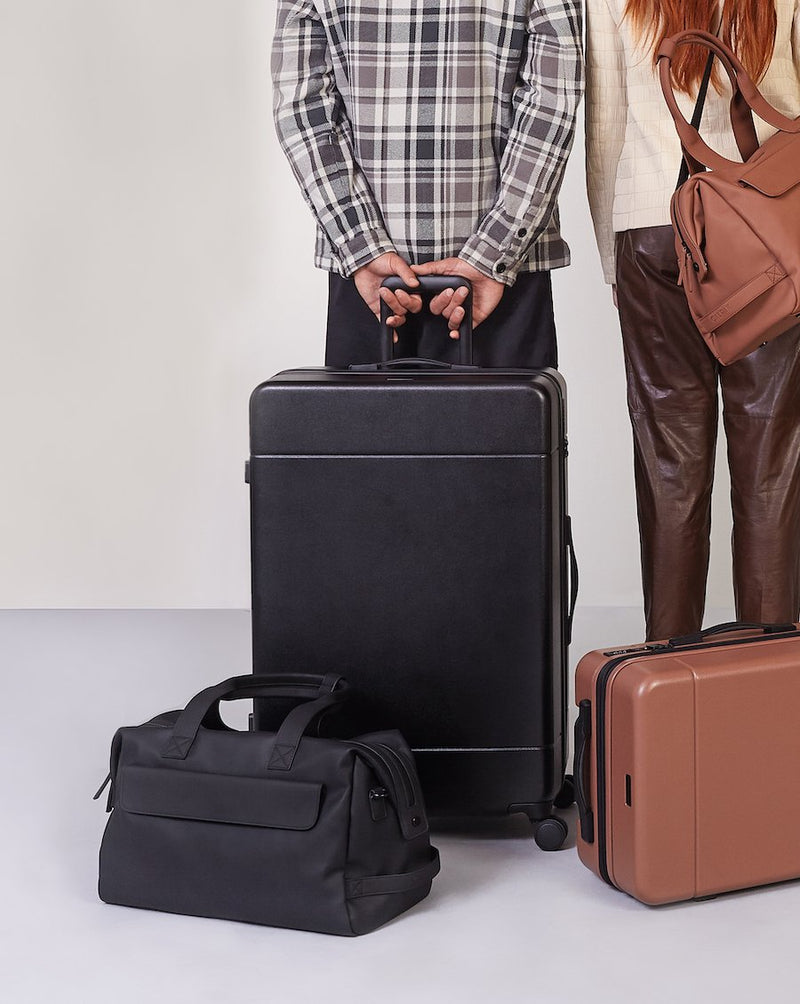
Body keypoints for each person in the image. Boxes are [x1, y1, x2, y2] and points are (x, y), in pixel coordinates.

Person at [586, 0, 800, 640]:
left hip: (651, 227)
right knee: (771, 465)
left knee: (670, 465)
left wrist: (612, 261)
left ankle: (667, 676)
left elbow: (605, 126)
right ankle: (766, 682)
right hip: (764, 238)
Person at [272, 1, 583, 368]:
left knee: (366, 424)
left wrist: (361, 247)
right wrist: (494, 253)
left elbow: (303, 108)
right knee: (508, 422)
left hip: (372, 278)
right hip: (502, 273)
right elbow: (551, 100)